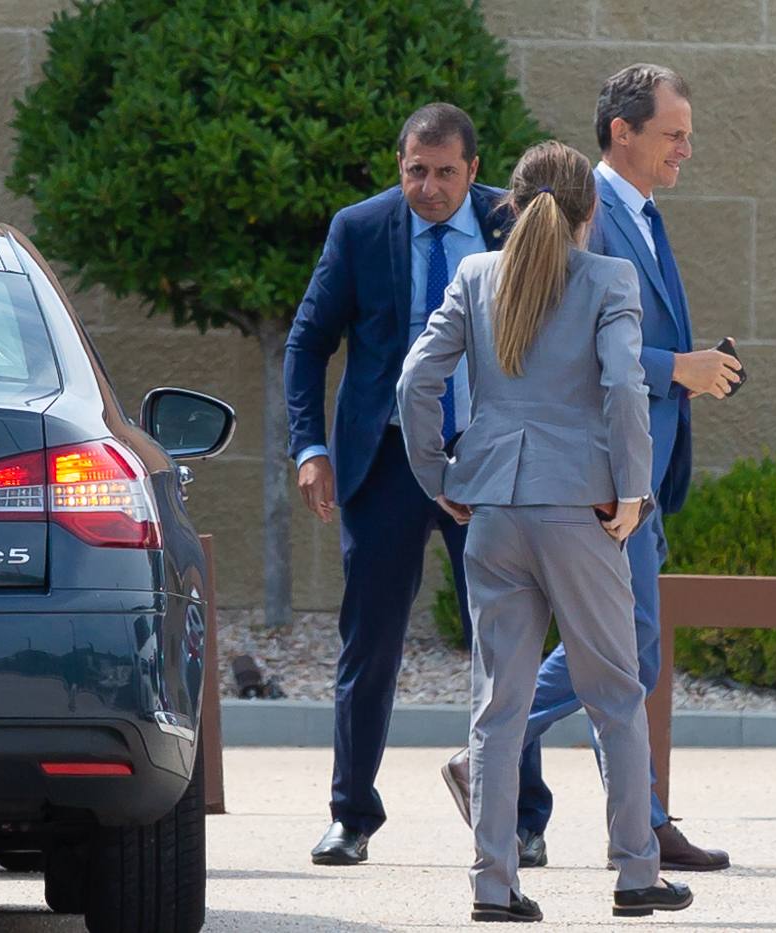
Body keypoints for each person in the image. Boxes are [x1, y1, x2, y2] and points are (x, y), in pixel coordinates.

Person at [441, 64, 738, 873]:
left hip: (606, 480)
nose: (685, 148)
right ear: (622, 133)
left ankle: (634, 818)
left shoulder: (640, 216)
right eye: (672, 134)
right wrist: (680, 366)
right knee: (625, 655)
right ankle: (625, 832)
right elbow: (583, 358)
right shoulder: (592, 223)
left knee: (626, 653)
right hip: (598, 487)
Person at [398, 140, 695, 923]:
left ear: (508, 203)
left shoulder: (475, 275)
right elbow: (625, 388)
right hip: (580, 506)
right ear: (588, 210)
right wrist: (634, 489)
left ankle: (493, 886)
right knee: (615, 694)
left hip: (492, 503)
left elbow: (414, 380)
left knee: (496, 705)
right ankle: (636, 874)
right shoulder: (607, 276)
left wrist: (438, 478)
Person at [284, 102, 510, 865]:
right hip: (384, 462)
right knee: (370, 640)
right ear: (399, 165)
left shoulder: (515, 223)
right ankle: (351, 814)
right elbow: (308, 341)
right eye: (417, 170)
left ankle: (519, 815)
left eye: (446, 172)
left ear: (473, 171)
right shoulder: (360, 228)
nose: (430, 187)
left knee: (503, 639)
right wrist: (310, 446)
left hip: (488, 462)